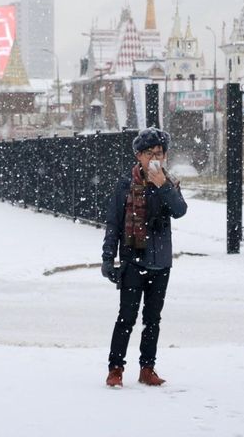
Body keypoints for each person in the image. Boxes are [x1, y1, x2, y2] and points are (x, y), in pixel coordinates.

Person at [101, 126, 187, 387]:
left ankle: (147, 368)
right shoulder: (126, 185)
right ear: (138, 156)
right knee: (126, 317)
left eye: (159, 153)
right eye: (149, 153)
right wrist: (108, 259)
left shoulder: (167, 183)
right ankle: (116, 369)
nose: (154, 158)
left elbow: (180, 210)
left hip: (161, 263)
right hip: (132, 260)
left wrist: (163, 187)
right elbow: (114, 223)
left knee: (153, 319)